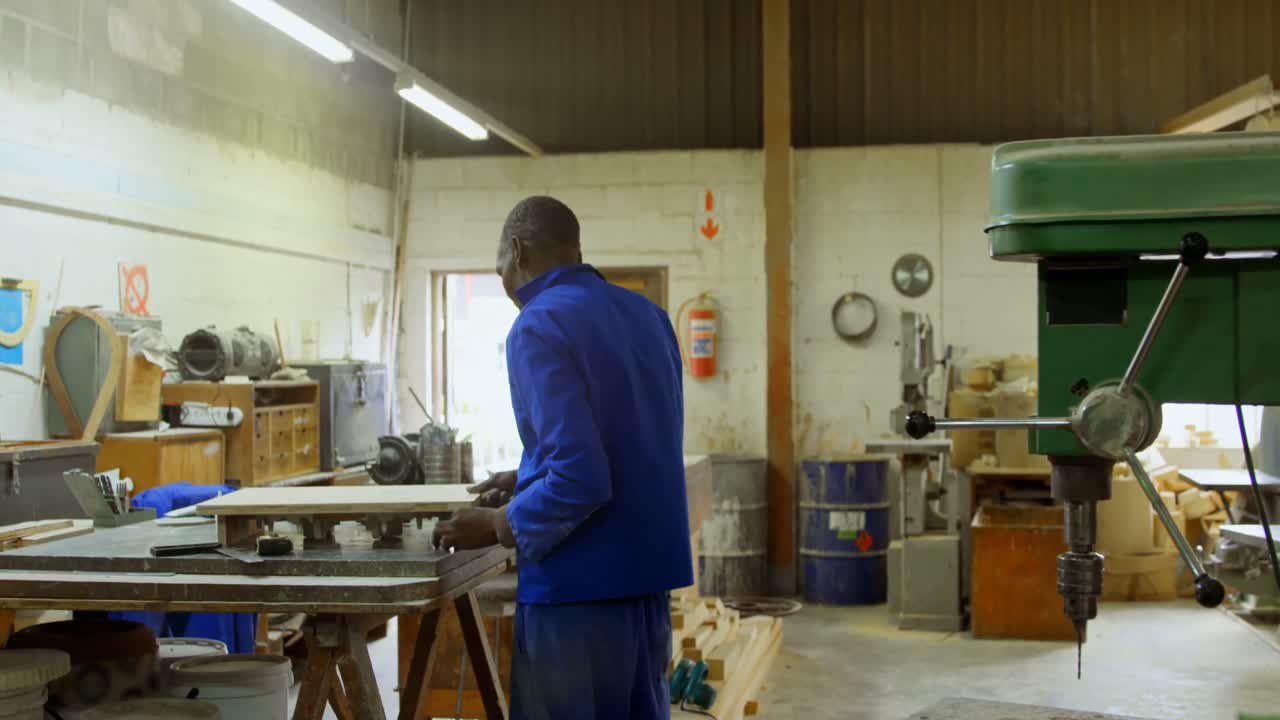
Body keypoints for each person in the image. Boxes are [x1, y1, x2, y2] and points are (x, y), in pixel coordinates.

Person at [433, 196, 692, 720]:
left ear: (517, 250)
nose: (504, 281)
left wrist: (499, 521)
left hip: (577, 595)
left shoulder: (538, 324)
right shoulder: (650, 316)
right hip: (647, 586)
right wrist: (526, 476)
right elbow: (631, 441)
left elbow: (583, 476)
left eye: (500, 267)